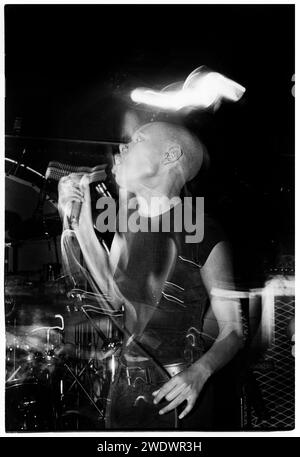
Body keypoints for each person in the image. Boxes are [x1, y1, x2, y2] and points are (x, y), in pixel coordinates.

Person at [58, 121, 243, 430]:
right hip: (127, 393)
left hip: (178, 394)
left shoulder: (201, 227)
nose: (122, 148)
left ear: (170, 155)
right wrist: (81, 222)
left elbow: (234, 330)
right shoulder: (126, 219)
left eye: (137, 140)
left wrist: (200, 372)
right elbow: (112, 295)